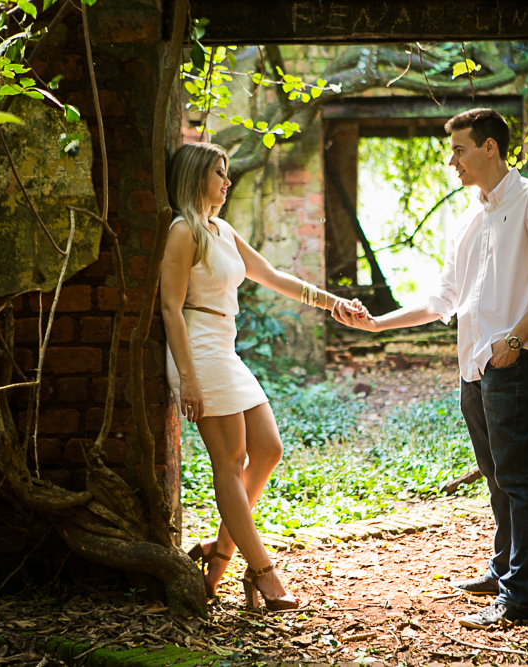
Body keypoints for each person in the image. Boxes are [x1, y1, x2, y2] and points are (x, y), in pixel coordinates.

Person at [334, 109, 528, 626]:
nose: (452, 162)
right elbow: (445, 298)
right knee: (496, 477)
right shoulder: (468, 219)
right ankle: (506, 570)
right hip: (474, 364)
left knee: (518, 475)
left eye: (460, 150)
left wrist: (512, 341)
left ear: (490, 148)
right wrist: (378, 325)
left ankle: (519, 598)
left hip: (513, 359)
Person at [161, 142, 365, 611]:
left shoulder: (221, 230)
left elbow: (271, 274)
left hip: (225, 349)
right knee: (230, 463)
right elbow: (170, 306)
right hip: (198, 350)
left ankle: (221, 554)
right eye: (219, 173)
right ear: (196, 178)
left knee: (268, 449)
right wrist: (187, 378)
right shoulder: (182, 231)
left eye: (227, 172)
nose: (227, 181)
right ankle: (264, 572)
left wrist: (331, 303)